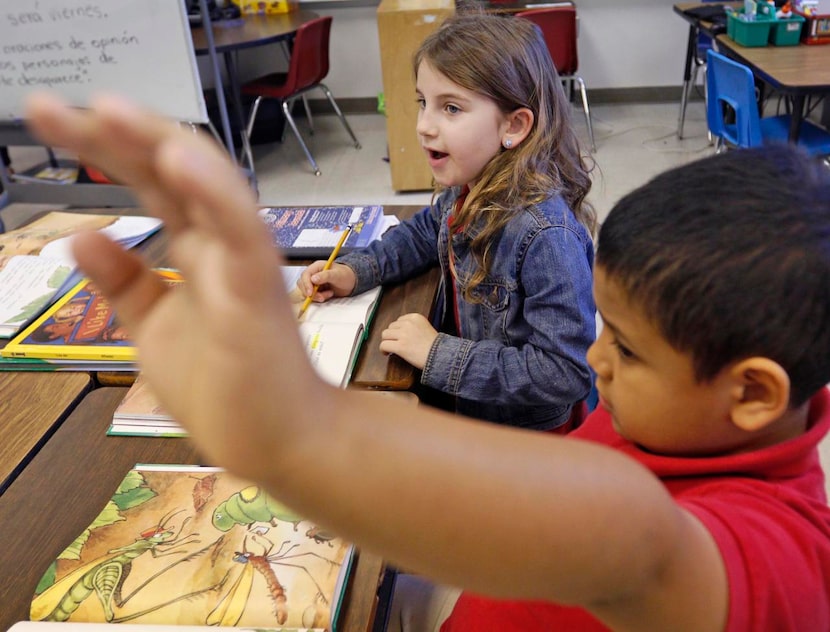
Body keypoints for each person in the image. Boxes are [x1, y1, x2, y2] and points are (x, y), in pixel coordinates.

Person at [24, 88, 830, 630]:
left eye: (624, 346)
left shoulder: (778, 556)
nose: (595, 354)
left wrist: (299, 435)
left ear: (753, 393)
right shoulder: (678, 429)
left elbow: (633, 537)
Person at [299, 13, 596, 431]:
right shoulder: (472, 184)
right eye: (424, 102)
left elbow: (562, 373)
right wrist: (354, 270)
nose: (423, 126)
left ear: (514, 125)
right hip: (468, 406)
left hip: (521, 442)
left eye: (451, 108)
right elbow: (422, 234)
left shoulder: (546, 236)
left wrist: (438, 352)